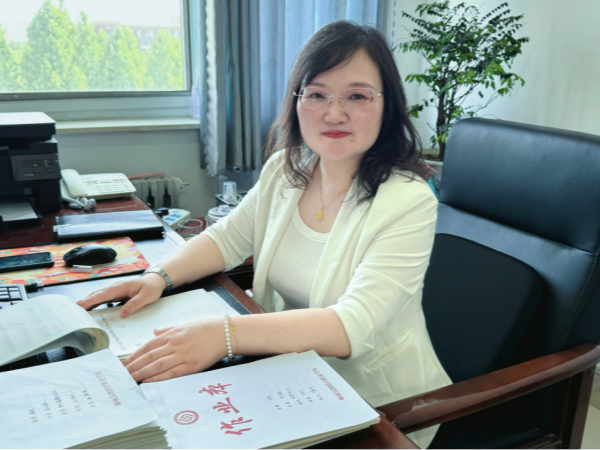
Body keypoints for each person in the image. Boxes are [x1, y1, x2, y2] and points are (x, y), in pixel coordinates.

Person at [78, 21, 451, 448]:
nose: (334, 113)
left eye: (357, 96)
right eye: (317, 94)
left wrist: (224, 335)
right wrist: (156, 277)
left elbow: (354, 325)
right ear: (297, 100)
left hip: (380, 403)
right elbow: (226, 239)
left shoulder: (408, 200)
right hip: (286, 373)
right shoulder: (287, 168)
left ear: (388, 105)